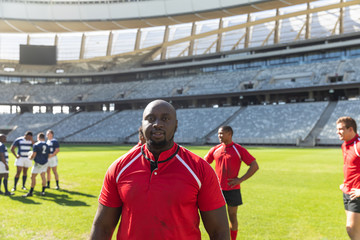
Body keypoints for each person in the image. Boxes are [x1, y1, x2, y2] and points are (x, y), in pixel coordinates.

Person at [90, 99, 230, 240]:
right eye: (150, 119)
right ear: (142, 125)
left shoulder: (199, 169)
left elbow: (219, 232)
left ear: (175, 125)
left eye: (165, 118)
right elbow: (102, 228)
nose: (157, 124)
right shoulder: (119, 168)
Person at [205, 126, 259, 240]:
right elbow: (203, 164)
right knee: (216, 219)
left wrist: (240, 179)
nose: (219, 136)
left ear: (229, 134)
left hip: (233, 190)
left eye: (221, 134)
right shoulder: (215, 149)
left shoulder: (238, 149)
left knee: (232, 217)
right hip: (217, 190)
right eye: (218, 134)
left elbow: (254, 166)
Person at [336, 116, 360, 239]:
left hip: (357, 194)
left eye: (340, 129)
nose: (337, 132)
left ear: (350, 129)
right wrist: (345, 184)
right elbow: (350, 167)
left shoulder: (359, 145)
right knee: (355, 230)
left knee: (351, 229)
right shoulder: (344, 145)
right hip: (347, 192)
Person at [23, 133, 50, 197]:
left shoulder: (36, 144)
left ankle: (31, 192)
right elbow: (48, 155)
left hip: (38, 163)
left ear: (38, 137)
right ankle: (43, 191)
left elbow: (34, 154)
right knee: (43, 176)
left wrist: (30, 157)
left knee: (32, 177)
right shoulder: (47, 145)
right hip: (45, 162)